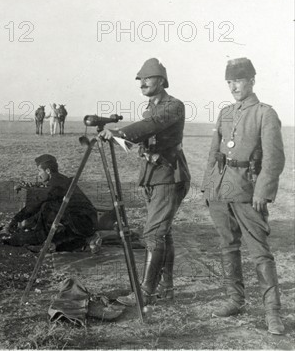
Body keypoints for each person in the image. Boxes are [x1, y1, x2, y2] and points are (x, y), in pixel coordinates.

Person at [201, 58, 285, 335]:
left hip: (249, 193)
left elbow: (273, 159)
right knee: (228, 246)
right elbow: (215, 153)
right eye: (229, 82)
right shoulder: (225, 113)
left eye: (237, 80)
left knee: (260, 253)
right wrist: (208, 187)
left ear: (251, 80)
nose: (233, 86)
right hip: (221, 192)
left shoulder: (265, 113)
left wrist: (263, 192)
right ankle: (235, 300)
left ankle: (273, 313)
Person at [99, 58, 190, 305]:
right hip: (153, 176)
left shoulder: (174, 106)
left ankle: (146, 292)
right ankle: (166, 287)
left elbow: (153, 125)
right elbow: (147, 134)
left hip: (169, 176)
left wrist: (121, 132)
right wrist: (124, 140)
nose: (142, 83)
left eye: (147, 78)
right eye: (140, 80)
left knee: (153, 233)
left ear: (161, 80)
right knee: (163, 233)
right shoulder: (150, 106)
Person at [5, 154, 98, 251]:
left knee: (47, 207)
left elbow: (37, 202)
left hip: (84, 224)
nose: (38, 175)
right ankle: (39, 234)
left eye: (39, 171)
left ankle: (41, 239)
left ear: (48, 171)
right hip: (86, 220)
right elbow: (43, 190)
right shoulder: (59, 179)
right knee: (48, 206)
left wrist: (15, 220)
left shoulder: (55, 185)